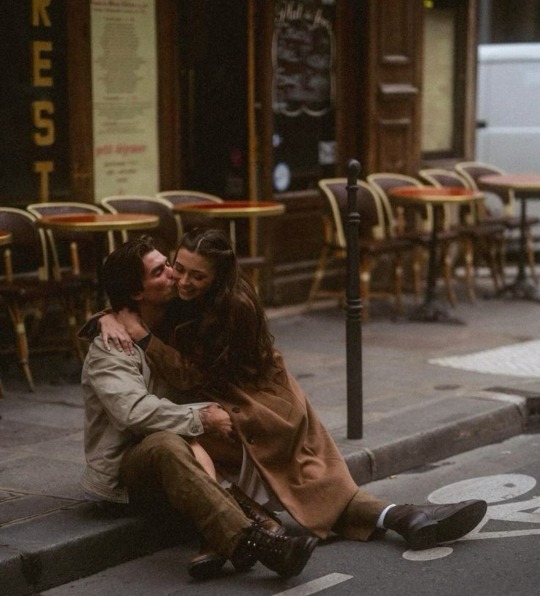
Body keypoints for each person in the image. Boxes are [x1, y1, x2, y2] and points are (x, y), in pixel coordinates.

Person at [98, 228, 488, 568]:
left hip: (259, 405)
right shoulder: (193, 296)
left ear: (218, 277)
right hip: (254, 400)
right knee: (312, 481)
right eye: (177, 268)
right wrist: (107, 316)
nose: (180, 280)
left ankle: (242, 528)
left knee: (273, 469)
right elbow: (131, 295)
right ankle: (406, 516)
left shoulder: (232, 307)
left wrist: (141, 335)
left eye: (196, 275)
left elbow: (190, 375)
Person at [79, 236, 318, 581]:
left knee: (219, 430)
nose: (174, 275)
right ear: (136, 293)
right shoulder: (111, 347)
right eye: (160, 272)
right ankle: (259, 541)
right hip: (129, 467)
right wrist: (201, 417)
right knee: (168, 442)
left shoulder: (172, 320)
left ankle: (231, 535)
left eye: (169, 264)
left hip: (182, 446)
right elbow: (133, 412)